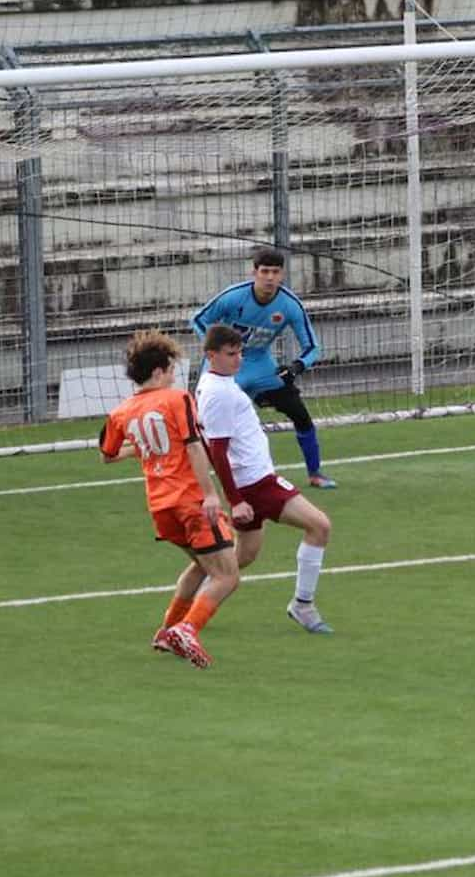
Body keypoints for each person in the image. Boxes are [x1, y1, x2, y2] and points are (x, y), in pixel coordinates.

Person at [99, 329, 239, 670]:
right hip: (189, 500)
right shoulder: (177, 399)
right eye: (172, 369)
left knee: (201, 565)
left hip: (160, 506)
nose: (175, 375)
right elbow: (193, 444)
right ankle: (188, 630)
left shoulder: (122, 413)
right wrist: (210, 495)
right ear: (159, 371)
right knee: (227, 576)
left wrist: (147, 449)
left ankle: (166, 632)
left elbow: (107, 454)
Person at [197, 324, 336, 633]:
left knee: (240, 558)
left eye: (240, 353)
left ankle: (189, 609)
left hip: (252, 481)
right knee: (320, 525)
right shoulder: (219, 394)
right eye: (231, 354)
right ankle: (303, 605)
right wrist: (235, 500)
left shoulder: (215, 384)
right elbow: (217, 451)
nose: (239, 360)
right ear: (211, 355)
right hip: (257, 484)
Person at [193, 247, 335, 488]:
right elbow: (198, 320)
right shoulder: (234, 296)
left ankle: (315, 474)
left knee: (299, 413)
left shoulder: (290, 305)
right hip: (224, 368)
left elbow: (312, 347)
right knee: (202, 425)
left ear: (282, 275)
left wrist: (295, 368)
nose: (270, 277)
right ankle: (196, 480)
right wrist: (217, 351)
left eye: (275, 272)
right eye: (265, 271)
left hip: (260, 366)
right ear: (254, 272)